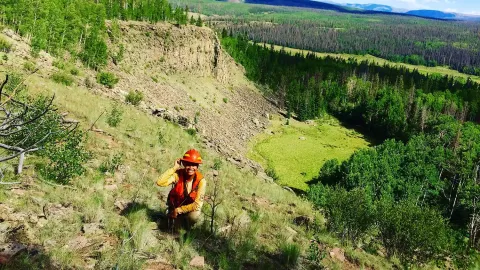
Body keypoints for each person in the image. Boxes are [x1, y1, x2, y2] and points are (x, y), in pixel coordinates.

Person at [156, 149, 206, 230]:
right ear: (184, 164)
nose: (191, 168)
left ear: (197, 166)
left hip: (188, 210)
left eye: (194, 165)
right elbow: (160, 182)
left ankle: (187, 227)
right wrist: (174, 168)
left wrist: (179, 210)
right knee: (170, 228)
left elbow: (197, 205)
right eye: (188, 164)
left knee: (195, 215)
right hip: (175, 207)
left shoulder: (201, 181)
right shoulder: (178, 175)